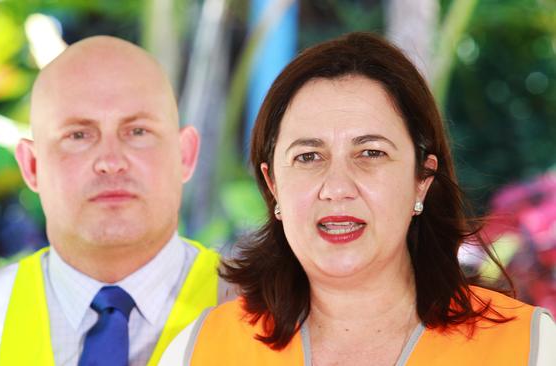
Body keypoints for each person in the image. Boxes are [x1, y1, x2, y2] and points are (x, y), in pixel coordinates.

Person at [159, 32, 556, 365]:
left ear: (422, 178)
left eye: (371, 153)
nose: (336, 187)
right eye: (308, 157)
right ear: (273, 183)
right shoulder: (200, 350)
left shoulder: (529, 346)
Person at [0, 36, 229, 366]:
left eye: (138, 131)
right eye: (78, 135)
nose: (110, 160)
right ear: (31, 166)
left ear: (185, 155)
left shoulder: (265, 313)